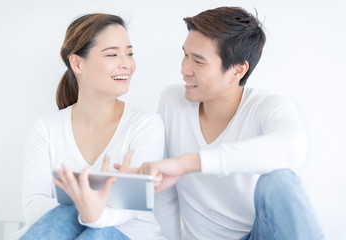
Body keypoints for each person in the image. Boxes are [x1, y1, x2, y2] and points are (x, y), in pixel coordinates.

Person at [133, 7, 325, 240]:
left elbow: (292, 149)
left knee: (277, 180)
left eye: (199, 61)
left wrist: (188, 163)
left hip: (256, 235)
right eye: (185, 54)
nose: (184, 70)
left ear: (237, 70)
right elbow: (163, 191)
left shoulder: (266, 105)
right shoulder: (173, 100)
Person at [12, 13, 165, 240]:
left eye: (129, 53)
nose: (127, 64)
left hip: (129, 235)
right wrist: (93, 202)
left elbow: (131, 208)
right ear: (77, 63)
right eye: (113, 54)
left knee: (97, 234)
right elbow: (34, 209)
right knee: (66, 216)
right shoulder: (45, 129)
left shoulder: (145, 125)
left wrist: (92, 209)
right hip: (63, 230)